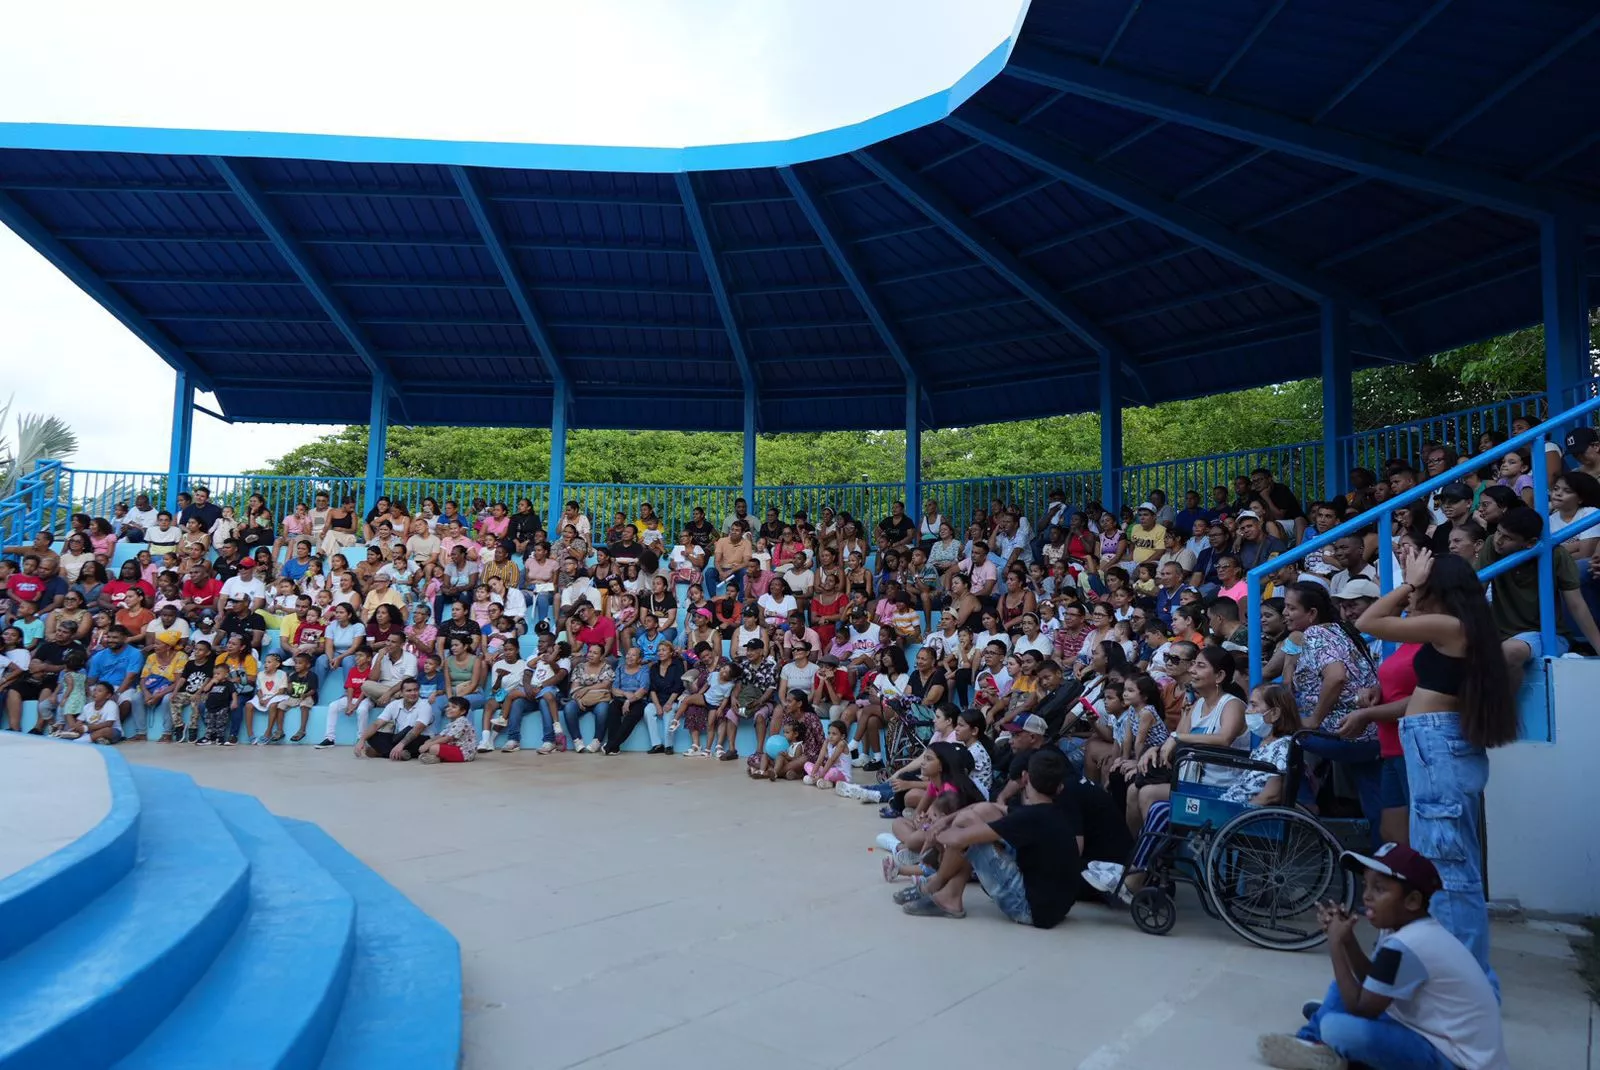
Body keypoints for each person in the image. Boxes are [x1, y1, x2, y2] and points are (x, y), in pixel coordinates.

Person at [1356, 550, 1516, 981]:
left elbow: (1367, 622)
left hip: (1437, 748)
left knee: (1448, 865)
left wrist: (1407, 584)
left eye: (1424, 585)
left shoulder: (1448, 625)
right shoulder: (1461, 629)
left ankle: (1461, 976)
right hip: (1435, 746)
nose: (1413, 593)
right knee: (1444, 858)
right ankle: (1454, 967)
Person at [1257, 844, 1507, 1070]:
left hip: (1457, 1061)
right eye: (1366, 885)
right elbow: (1373, 982)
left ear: (1412, 900)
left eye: (1379, 889)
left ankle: (1325, 1043)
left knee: (1338, 1028)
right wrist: (1347, 940)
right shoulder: (1409, 930)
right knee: (1342, 991)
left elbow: (1361, 1007)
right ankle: (1311, 1043)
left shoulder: (1408, 944)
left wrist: (1334, 943)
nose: (1366, 896)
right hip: (1428, 1033)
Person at [896, 748, 1081, 928]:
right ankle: (947, 892)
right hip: (1056, 908)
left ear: (1025, 777)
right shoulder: (1052, 813)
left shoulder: (1028, 818)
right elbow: (992, 807)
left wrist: (932, 830)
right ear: (1060, 787)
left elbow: (960, 839)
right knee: (980, 812)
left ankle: (938, 888)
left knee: (966, 826)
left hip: (1029, 909)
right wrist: (946, 820)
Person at [357, 678, 434, 761]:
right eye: (409, 691)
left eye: (415, 690)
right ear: (401, 693)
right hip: (399, 737)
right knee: (372, 736)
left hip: (418, 738)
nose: (413, 693)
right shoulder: (394, 704)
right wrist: (361, 740)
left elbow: (417, 729)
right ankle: (400, 754)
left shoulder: (425, 705)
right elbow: (377, 724)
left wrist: (401, 745)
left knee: (411, 732)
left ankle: (382, 753)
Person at [419, 696, 479, 765]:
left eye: (453, 707)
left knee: (433, 747)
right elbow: (441, 735)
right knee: (428, 743)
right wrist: (429, 741)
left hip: (464, 753)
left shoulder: (462, 721)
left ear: (462, 711)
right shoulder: (451, 723)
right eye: (448, 706)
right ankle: (436, 757)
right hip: (454, 747)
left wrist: (429, 744)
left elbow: (447, 738)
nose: (448, 709)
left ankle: (437, 758)